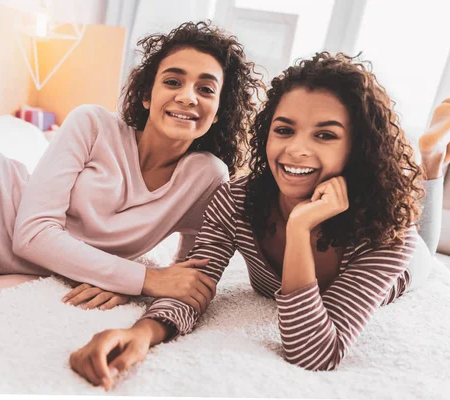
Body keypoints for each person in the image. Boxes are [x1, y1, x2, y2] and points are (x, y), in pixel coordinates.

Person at [69, 52, 450, 388]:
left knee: (427, 250)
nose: (296, 150)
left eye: (325, 135)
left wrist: (299, 229)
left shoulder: (388, 237)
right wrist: (141, 333)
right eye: (284, 130)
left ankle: (430, 163)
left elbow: (314, 353)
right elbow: (194, 284)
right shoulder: (237, 200)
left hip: (409, 263)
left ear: (358, 148)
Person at [0, 20, 262, 309]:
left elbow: (189, 275)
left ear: (218, 110)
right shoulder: (92, 124)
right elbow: (32, 235)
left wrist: (140, 286)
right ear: (147, 96)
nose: (188, 96)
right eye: (172, 81)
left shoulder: (208, 176)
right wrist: (141, 280)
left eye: (205, 88)